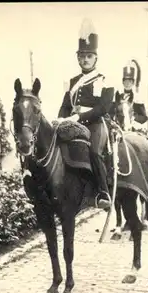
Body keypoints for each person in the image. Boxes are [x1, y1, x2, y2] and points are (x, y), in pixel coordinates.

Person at [55, 18, 114, 210]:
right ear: (77, 58)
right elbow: (65, 106)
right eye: (82, 56)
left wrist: (79, 117)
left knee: (95, 152)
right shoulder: (72, 81)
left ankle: (103, 192)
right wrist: (61, 119)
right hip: (73, 124)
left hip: (96, 123)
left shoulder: (104, 80)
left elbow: (103, 108)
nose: (85, 59)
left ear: (95, 58)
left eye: (89, 56)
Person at [111, 60, 148, 133]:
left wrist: (134, 117)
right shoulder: (117, 96)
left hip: (134, 129)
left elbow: (144, 118)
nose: (127, 84)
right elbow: (111, 112)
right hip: (118, 129)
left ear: (133, 83)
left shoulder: (137, 99)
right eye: (126, 81)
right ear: (123, 82)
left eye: (130, 81)